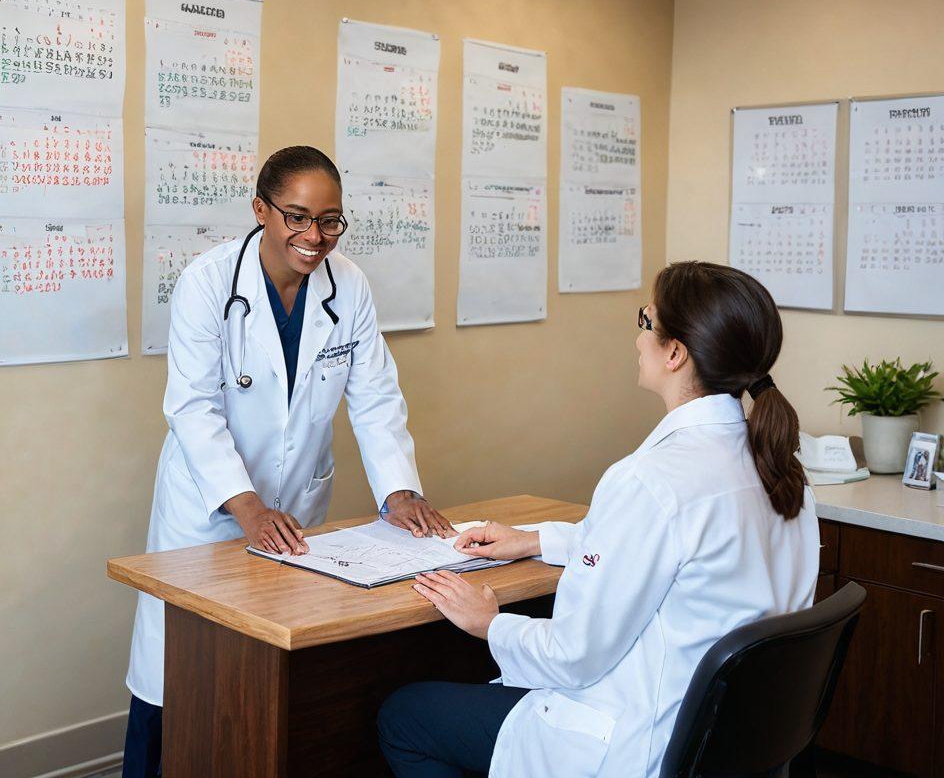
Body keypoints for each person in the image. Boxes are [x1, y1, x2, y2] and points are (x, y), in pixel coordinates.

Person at [377, 261, 820, 778]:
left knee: (403, 717)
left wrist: (490, 624)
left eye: (645, 323)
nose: (638, 340)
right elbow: (668, 555)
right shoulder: (782, 470)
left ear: (675, 353)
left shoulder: (651, 481)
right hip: (730, 749)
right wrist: (533, 540)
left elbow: (574, 655)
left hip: (637, 748)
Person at [123, 145, 452, 777]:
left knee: (272, 677)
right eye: (297, 217)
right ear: (261, 210)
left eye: (330, 220)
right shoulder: (209, 282)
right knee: (178, 677)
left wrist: (400, 491)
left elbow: (375, 394)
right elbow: (192, 409)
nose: (315, 236)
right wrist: (245, 505)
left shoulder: (347, 285)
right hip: (211, 510)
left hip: (295, 509)